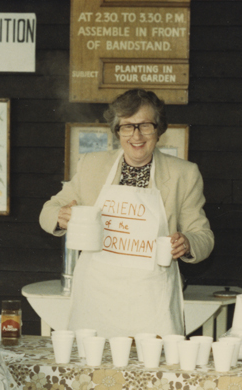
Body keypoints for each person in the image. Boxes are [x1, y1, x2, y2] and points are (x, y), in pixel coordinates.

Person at [39, 88, 214, 338]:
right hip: (97, 298)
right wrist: (61, 216)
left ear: (159, 129)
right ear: (117, 131)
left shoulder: (183, 174)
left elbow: (203, 236)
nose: (136, 135)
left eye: (145, 125)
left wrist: (187, 243)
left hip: (152, 300)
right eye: (127, 126)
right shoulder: (91, 165)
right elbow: (48, 211)